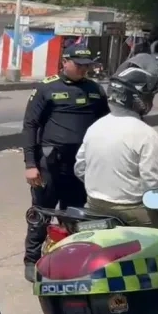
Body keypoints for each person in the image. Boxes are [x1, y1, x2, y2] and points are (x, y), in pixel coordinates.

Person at [74, 61, 158, 291]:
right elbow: (152, 189)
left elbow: (80, 169)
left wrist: (104, 184)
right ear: (139, 98)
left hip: (94, 205)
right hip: (132, 209)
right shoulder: (146, 134)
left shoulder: (96, 127)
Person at [21, 45, 110, 282]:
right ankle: (31, 260)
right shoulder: (47, 87)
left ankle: (71, 260)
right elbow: (30, 125)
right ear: (64, 61)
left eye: (87, 65)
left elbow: (106, 124)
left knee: (77, 216)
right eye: (78, 65)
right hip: (50, 164)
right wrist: (30, 163)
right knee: (41, 213)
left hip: (80, 167)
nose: (83, 69)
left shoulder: (95, 90)